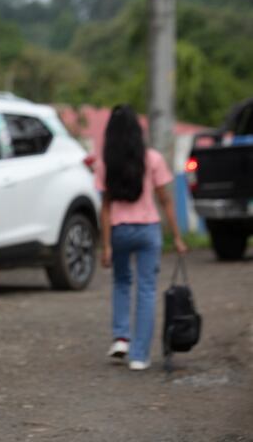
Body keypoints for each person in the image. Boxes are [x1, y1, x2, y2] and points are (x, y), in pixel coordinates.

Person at [96, 104, 187, 371]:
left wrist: (107, 245)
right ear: (138, 129)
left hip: (120, 231)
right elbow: (166, 200)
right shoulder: (153, 159)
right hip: (148, 231)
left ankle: (121, 338)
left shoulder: (105, 163)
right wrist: (178, 238)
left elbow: (105, 207)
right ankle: (139, 356)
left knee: (122, 282)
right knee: (146, 290)